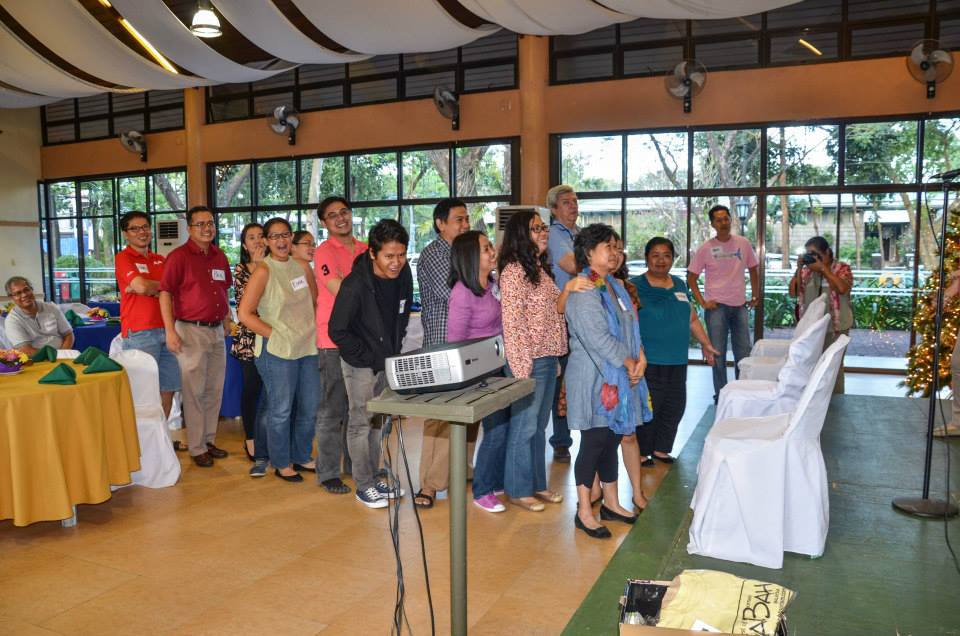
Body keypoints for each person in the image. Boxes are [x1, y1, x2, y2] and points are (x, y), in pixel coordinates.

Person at [565, 224, 651, 539]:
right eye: (608, 247)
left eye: (617, 247)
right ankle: (584, 510)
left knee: (612, 439)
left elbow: (631, 328)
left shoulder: (613, 284)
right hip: (594, 379)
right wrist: (629, 362)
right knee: (594, 441)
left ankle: (611, 503)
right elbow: (597, 338)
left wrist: (640, 357)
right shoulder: (585, 289)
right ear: (589, 253)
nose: (615, 253)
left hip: (618, 376)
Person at [329, 219, 413, 508]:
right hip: (360, 364)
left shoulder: (404, 274)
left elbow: (401, 316)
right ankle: (363, 484)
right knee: (360, 422)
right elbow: (337, 329)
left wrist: (394, 348)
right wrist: (366, 359)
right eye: (389, 256)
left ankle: (376, 475)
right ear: (374, 253)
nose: (396, 262)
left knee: (379, 422)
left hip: (386, 360)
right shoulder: (355, 285)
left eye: (401, 254)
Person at [238, 218, 320, 483]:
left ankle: (302, 454)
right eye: (274, 237)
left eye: (285, 235)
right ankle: (282, 462)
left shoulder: (302, 267)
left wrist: (308, 330)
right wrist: (275, 334)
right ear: (266, 241)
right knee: (281, 409)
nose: (281, 241)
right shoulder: (263, 270)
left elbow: (315, 302)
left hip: (307, 346)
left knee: (308, 407)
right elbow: (244, 314)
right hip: (276, 352)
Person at [499, 210, 569, 512]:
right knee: (524, 427)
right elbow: (513, 326)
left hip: (546, 357)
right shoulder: (513, 272)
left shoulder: (539, 270)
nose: (542, 232)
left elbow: (553, 315)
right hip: (527, 361)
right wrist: (521, 371)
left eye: (543, 227)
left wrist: (553, 360)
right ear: (519, 235)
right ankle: (517, 488)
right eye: (535, 228)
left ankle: (537, 484)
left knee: (540, 427)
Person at [632, 237, 718, 471]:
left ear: (673, 258)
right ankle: (642, 452)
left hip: (677, 358)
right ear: (647, 258)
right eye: (655, 255)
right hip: (649, 360)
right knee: (650, 406)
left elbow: (691, 317)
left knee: (674, 405)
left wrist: (706, 343)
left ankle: (661, 448)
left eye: (667, 255)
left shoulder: (680, 284)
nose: (661, 260)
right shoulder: (635, 286)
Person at [159, 205, 232, 468]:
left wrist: (226, 319)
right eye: (200, 224)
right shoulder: (178, 257)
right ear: (189, 228)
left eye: (210, 223)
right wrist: (170, 330)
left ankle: (209, 440)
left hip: (216, 332)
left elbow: (223, 291)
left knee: (214, 389)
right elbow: (165, 293)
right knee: (194, 391)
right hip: (190, 330)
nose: (207, 228)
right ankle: (197, 446)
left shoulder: (219, 255)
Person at [414, 198, 473, 509]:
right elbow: (451, 296)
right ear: (440, 224)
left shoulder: (465, 251)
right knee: (438, 417)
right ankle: (429, 484)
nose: (465, 225)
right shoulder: (435, 254)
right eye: (459, 220)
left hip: (468, 341)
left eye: (467, 219)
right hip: (442, 343)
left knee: (468, 412)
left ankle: (461, 469)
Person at [446, 230, 508, 513]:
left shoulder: (493, 283)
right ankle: (482, 491)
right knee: (494, 430)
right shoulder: (462, 292)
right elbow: (455, 340)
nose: (492, 250)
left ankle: (493, 481)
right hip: (477, 371)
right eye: (485, 248)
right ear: (471, 256)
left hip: (499, 363)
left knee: (503, 426)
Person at [313, 196, 368, 494]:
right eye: (332, 215)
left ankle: (357, 465)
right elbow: (340, 289)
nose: (340, 218)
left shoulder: (365, 250)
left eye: (344, 212)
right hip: (331, 340)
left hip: (361, 340)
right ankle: (328, 472)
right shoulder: (323, 252)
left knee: (359, 409)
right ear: (325, 223)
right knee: (333, 409)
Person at [687, 204, 760, 400]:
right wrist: (703, 303)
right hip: (716, 308)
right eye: (718, 220)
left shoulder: (743, 244)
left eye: (726, 218)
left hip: (740, 306)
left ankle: (741, 392)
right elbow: (691, 278)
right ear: (712, 224)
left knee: (743, 353)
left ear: (731, 220)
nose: (723, 223)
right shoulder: (705, 249)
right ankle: (721, 394)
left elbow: (754, 269)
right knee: (717, 354)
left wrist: (755, 295)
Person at [115, 211, 182, 424]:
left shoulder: (160, 259)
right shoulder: (123, 258)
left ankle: (159, 438)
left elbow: (173, 290)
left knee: (168, 389)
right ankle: (139, 443)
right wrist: (159, 288)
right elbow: (142, 286)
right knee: (141, 392)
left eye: (145, 227)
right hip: (140, 332)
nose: (142, 232)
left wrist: (150, 287)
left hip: (168, 331)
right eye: (135, 228)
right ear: (125, 234)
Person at [789, 235, 853, 394]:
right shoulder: (807, 272)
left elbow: (843, 289)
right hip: (812, 329)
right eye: (809, 254)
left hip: (836, 327)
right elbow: (792, 292)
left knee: (834, 367)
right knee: (812, 366)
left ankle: (837, 404)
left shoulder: (842, 268)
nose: (813, 258)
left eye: (816, 254)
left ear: (828, 253)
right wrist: (799, 269)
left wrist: (824, 270)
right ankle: (814, 401)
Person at [545, 184, 580, 463]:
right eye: (566, 202)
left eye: (575, 201)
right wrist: (598, 262)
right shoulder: (556, 234)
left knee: (570, 379)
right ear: (554, 210)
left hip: (577, 315)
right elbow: (571, 265)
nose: (573, 206)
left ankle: (564, 436)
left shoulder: (577, 234)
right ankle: (560, 440)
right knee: (560, 381)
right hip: (559, 317)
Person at [231, 223, 266, 467]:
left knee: (274, 392)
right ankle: (251, 438)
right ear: (245, 245)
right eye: (251, 238)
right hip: (249, 337)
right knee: (252, 389)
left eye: (261, 236)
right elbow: (248, 303)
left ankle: (268, 437)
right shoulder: (241, 269)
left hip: (275, 336)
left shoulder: (277, 266)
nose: (257, 241)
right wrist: (258, 264)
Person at [3, 276, 74, 355]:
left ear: (32, 290)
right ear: (11, 297)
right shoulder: (12, 320)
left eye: (26, 290)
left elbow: (68, 335)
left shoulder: (51, 308)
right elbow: (25, 350)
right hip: (36, 360)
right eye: (18, 293)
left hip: (62, 354)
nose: (24, 295)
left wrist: (62, 354)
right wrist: (53, 357)